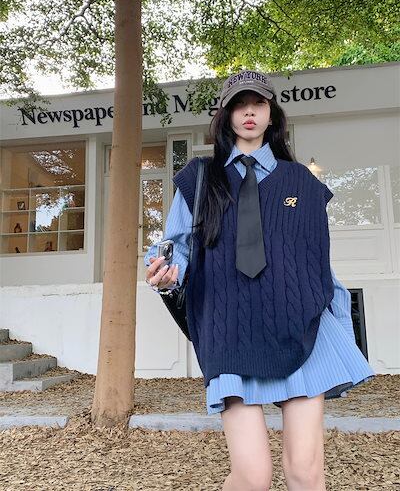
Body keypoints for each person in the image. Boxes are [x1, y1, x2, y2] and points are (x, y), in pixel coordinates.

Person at [144, 69, 375, 491]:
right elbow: (175, 249)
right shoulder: (199, 178)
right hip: (230, 330)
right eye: (239, 104)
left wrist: (343, 335)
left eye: (258, 103)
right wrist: (165, 276)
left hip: (302, 329)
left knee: (305, 472)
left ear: (272, 114)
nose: (249, 111)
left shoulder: (303, 183)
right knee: (252, 477)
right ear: (225, 115)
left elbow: (318, 265)